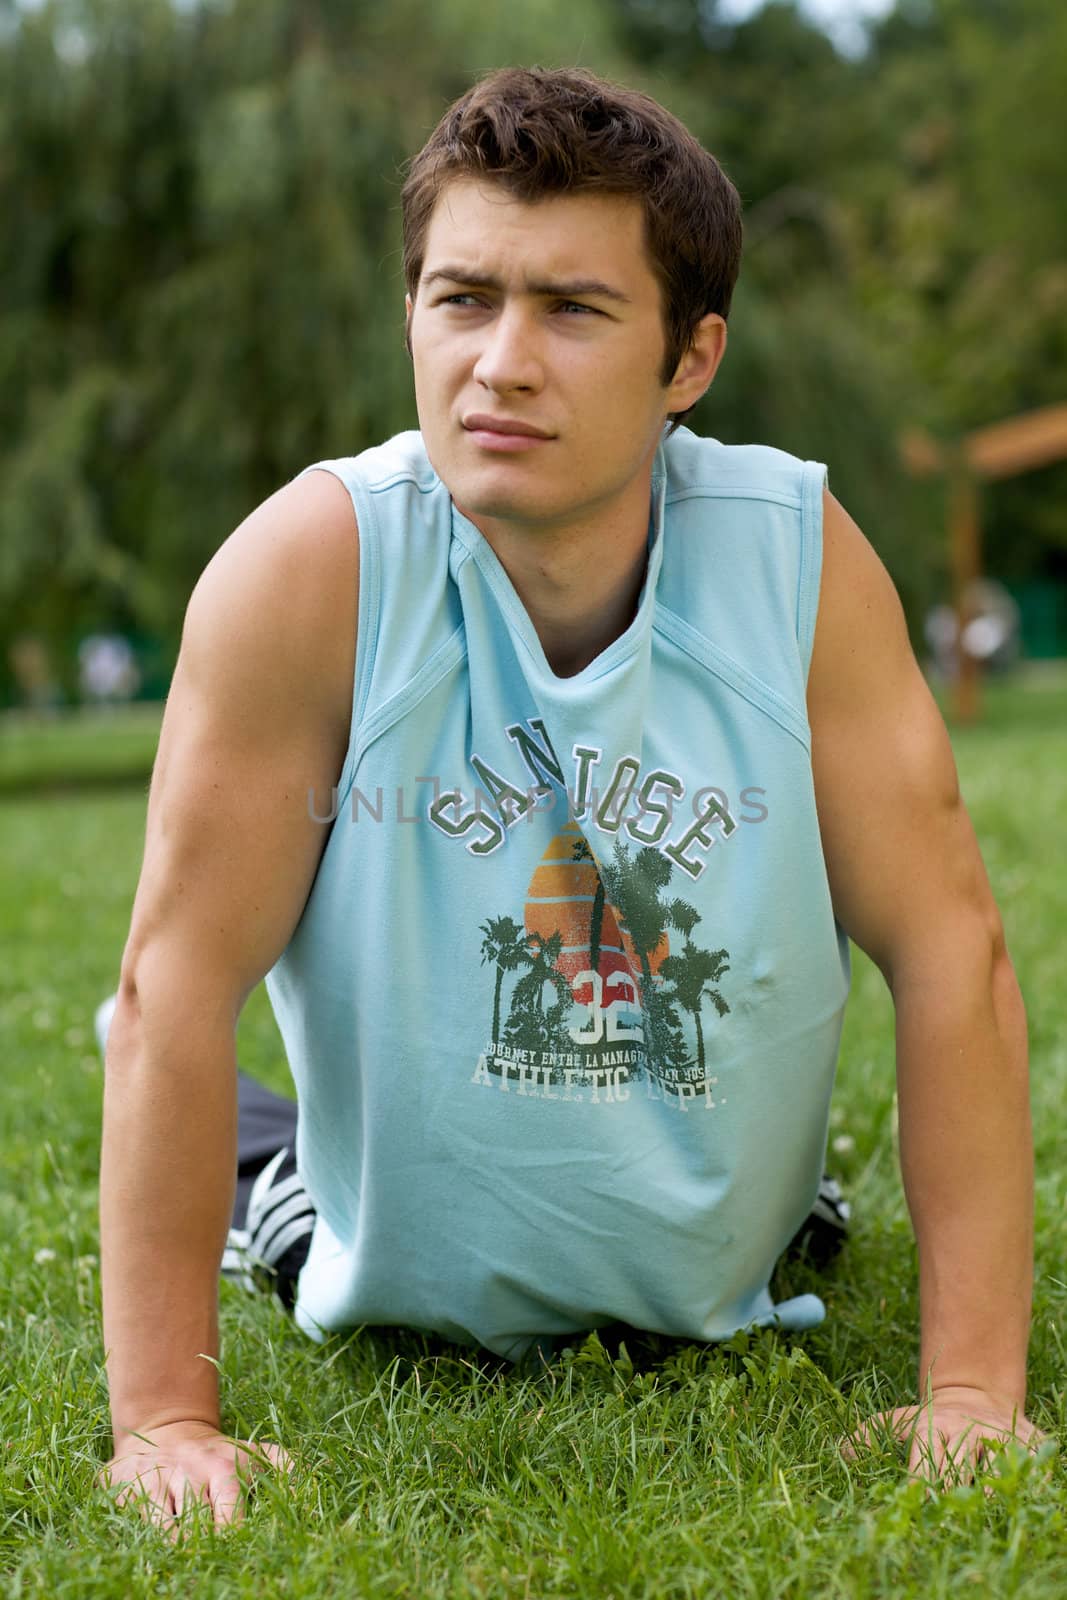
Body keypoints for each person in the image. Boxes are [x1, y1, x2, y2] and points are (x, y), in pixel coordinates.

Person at [98, 66, 1038, 1527]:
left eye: (575, 310)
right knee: (253, 1141)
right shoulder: (314, 568)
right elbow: (173, 986)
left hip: (741, 1246)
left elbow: (951, 956)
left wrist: (976, 1392)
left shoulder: (795, 564)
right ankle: (288, 1153)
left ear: (692, 359)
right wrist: (162, 1419)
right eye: (462, 299)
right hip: (379, 1258)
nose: (501, 362)